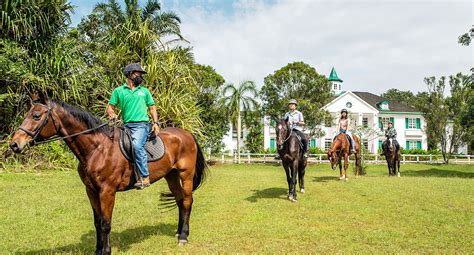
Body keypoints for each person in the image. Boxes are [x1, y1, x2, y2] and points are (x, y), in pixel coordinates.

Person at [107, 63, 160, 189]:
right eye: (138, 74)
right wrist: (112, 114)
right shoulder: (118, 91)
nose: (141, 77)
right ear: (130, 74)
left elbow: (152, 108)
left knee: (136, 146)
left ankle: (144, 176)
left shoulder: (144, 91)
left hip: (141, 125)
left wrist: (156, 123)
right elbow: (110, 107)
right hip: (125, 126)